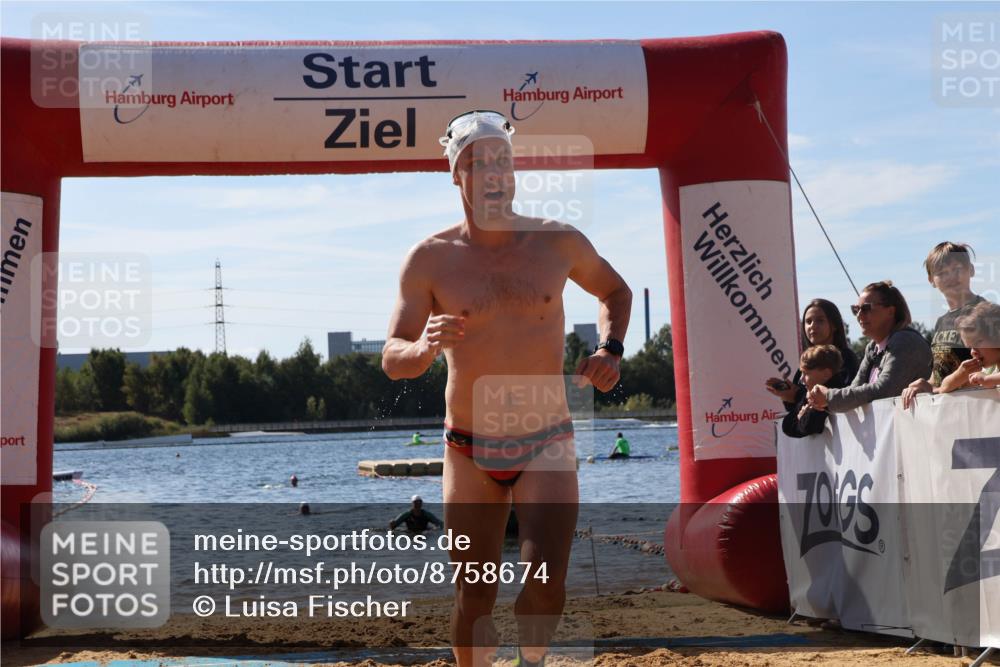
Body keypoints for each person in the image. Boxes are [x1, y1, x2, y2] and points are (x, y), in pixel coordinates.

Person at [382, 110, 631, 667]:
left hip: (547, 440)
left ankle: (531, 664)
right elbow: (392, 357)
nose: (493, 171)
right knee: (475, 595)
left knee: (545, 583)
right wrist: (422, 349)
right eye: (478, 162)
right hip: (468, 448)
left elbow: (616, 291)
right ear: (457, 175)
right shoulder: (430, 259)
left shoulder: (557, 242)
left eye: (502, 160)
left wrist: (608, 350)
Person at [808, 281, 932, 413]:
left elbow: (884, 390)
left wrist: (829, 396)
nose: (859, 315)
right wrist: (823, 400)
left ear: (890, 311)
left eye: (866, 308)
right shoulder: (872, 348)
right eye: (856, 309)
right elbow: (855, 389)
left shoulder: (905, 341)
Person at [902, 242, 987, 401]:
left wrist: (937, 389)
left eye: (957, 269)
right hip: (948, 415)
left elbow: (991, 374)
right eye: (941, 272)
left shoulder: (986, 314)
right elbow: (938, 376)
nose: (951, 277)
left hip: (979, 410)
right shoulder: (941, 322)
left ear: (972, 270)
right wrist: (922, 386)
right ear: (931, 280)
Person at [765, 298, 859, 415]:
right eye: (808, 321)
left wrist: (797, 395)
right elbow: (796, 411)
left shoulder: (846, 357)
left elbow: (846, 396)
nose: (812, 326)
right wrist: (787, 396)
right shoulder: (804, 364)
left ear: (834, 325)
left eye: (820, 321)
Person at [902, 301, 1000, 406]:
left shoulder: (987, 376)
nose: (973, 352)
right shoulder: (988, 370)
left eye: (978, 342)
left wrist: (987, 379)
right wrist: (961, 374)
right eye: (970, 347)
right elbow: (945, 387)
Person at [781, 345, 843, 438]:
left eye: (806, 373)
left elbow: (808, 427)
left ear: (826, 374)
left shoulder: (828, 396)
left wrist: (801, 418)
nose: (801, 379)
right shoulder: (810, 395)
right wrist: (800, 417)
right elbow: (787, 426)